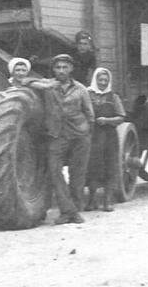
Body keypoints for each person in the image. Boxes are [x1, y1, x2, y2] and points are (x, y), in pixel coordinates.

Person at [43, 54, 95, 225]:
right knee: (54, 171)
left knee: (77, 174)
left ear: (71, 69)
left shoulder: (80, 89)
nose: (61, 71)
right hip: (57, 135)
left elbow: (89, 114)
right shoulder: (47, 86)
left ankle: (74, 209)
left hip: (79, 135)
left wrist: (87, 133)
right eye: (58, 68)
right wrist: (43, 83)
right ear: (53, 70)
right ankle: (69, 210)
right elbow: (25, 80)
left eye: (65, 67)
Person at [85, 68, 126, 212]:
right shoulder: (87, 94)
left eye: (105, 80)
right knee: (93, 166)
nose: (102, 83)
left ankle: (108, 200)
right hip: (93, 136)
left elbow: (121, 117)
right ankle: (91, 199)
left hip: (109, 136)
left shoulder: (113, 96)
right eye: (100, 80)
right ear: (95, 80)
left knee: (109, 165)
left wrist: (107, 120)